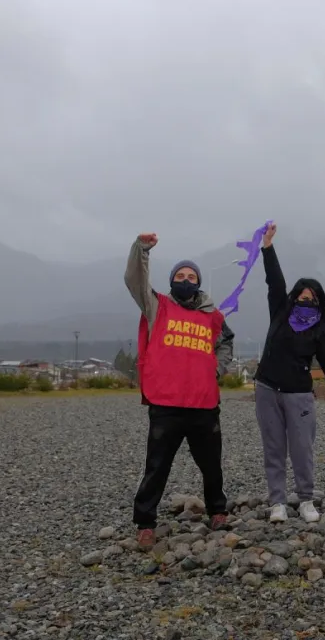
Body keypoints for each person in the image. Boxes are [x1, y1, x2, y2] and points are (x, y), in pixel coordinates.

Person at [125, 232, 235, 550]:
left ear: (198, 283)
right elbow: (135, 281)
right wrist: (141, 250)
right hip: (167, 403)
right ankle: (145, 522)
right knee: (157, 465)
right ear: (172, 281)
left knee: (211, 464)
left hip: (203, 403)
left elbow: (227, 341)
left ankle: (217, 511)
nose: (185, 280)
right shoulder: (157, 306)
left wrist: (217, 368)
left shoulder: (212, 316)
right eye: (179, 275)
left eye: (191, 276)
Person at [253, 223, 325, 524]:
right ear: (294, 296)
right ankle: (277, 503)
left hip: (299, 394)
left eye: (312, 297)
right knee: (273, 448)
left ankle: (307, 499)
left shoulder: (320, 329)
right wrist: (268, 248)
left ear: (319, 301)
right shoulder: (280, 313)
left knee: (302, 449)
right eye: (301, 295)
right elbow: (275, 282)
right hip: (267, 389)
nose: (305, 300)